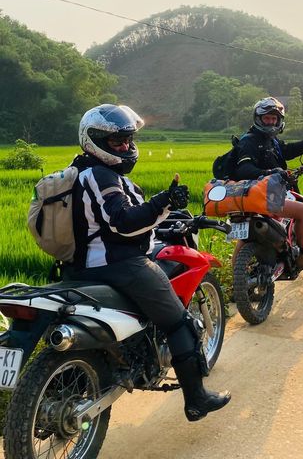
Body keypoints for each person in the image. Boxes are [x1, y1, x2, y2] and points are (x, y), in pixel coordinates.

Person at [67, 103, 231, 421]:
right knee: (180, 322)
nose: (126, 146)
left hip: (83, 266)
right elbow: (123, 222)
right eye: (118, 141)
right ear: (94, 140)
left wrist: (164, 208)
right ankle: (196, 399)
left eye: (128, 140)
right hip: (120, 265)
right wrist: (163, 200)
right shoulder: (100, 176)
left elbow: (109, 223)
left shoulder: (80, 172)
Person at [233, 96, 303, 277]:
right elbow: (243, 168)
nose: (271, 122)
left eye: (274, 118)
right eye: (267, 118)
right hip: (262, 195)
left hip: (253, 196)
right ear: (258, 119)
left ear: (279, 120)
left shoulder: (272, 141)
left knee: (245, 236)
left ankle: (237, 277)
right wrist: (269, 172)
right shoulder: (250, 140)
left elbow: (288, 151)